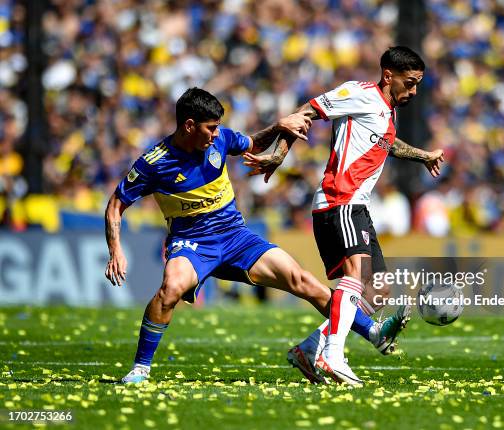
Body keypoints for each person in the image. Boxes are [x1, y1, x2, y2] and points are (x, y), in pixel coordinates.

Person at [104, 87, 408, 384]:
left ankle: (372, 332)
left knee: (303, 280)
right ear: (189, 125)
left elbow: (251, 142)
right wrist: (116, 249)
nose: (215, 134)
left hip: (237, 238)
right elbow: (116, 204)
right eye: (210, 129)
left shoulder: (220, 139)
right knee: (169, 290)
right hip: (194, 243)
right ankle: (140, 369)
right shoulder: (154, 163)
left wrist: (278, 127)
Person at [245, 46, 445, 385]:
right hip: (340, 200)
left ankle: (310, 349)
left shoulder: (387, 112)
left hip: (358, 206)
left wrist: (422, 155)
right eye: (409, 83)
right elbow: (305, 112)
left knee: (378, 292)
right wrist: (279, 153)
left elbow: (387, 144)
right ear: (388, 76)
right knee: (354, 275)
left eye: (417, 85)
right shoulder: (359, 94)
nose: (413, 91)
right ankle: (331, 354)